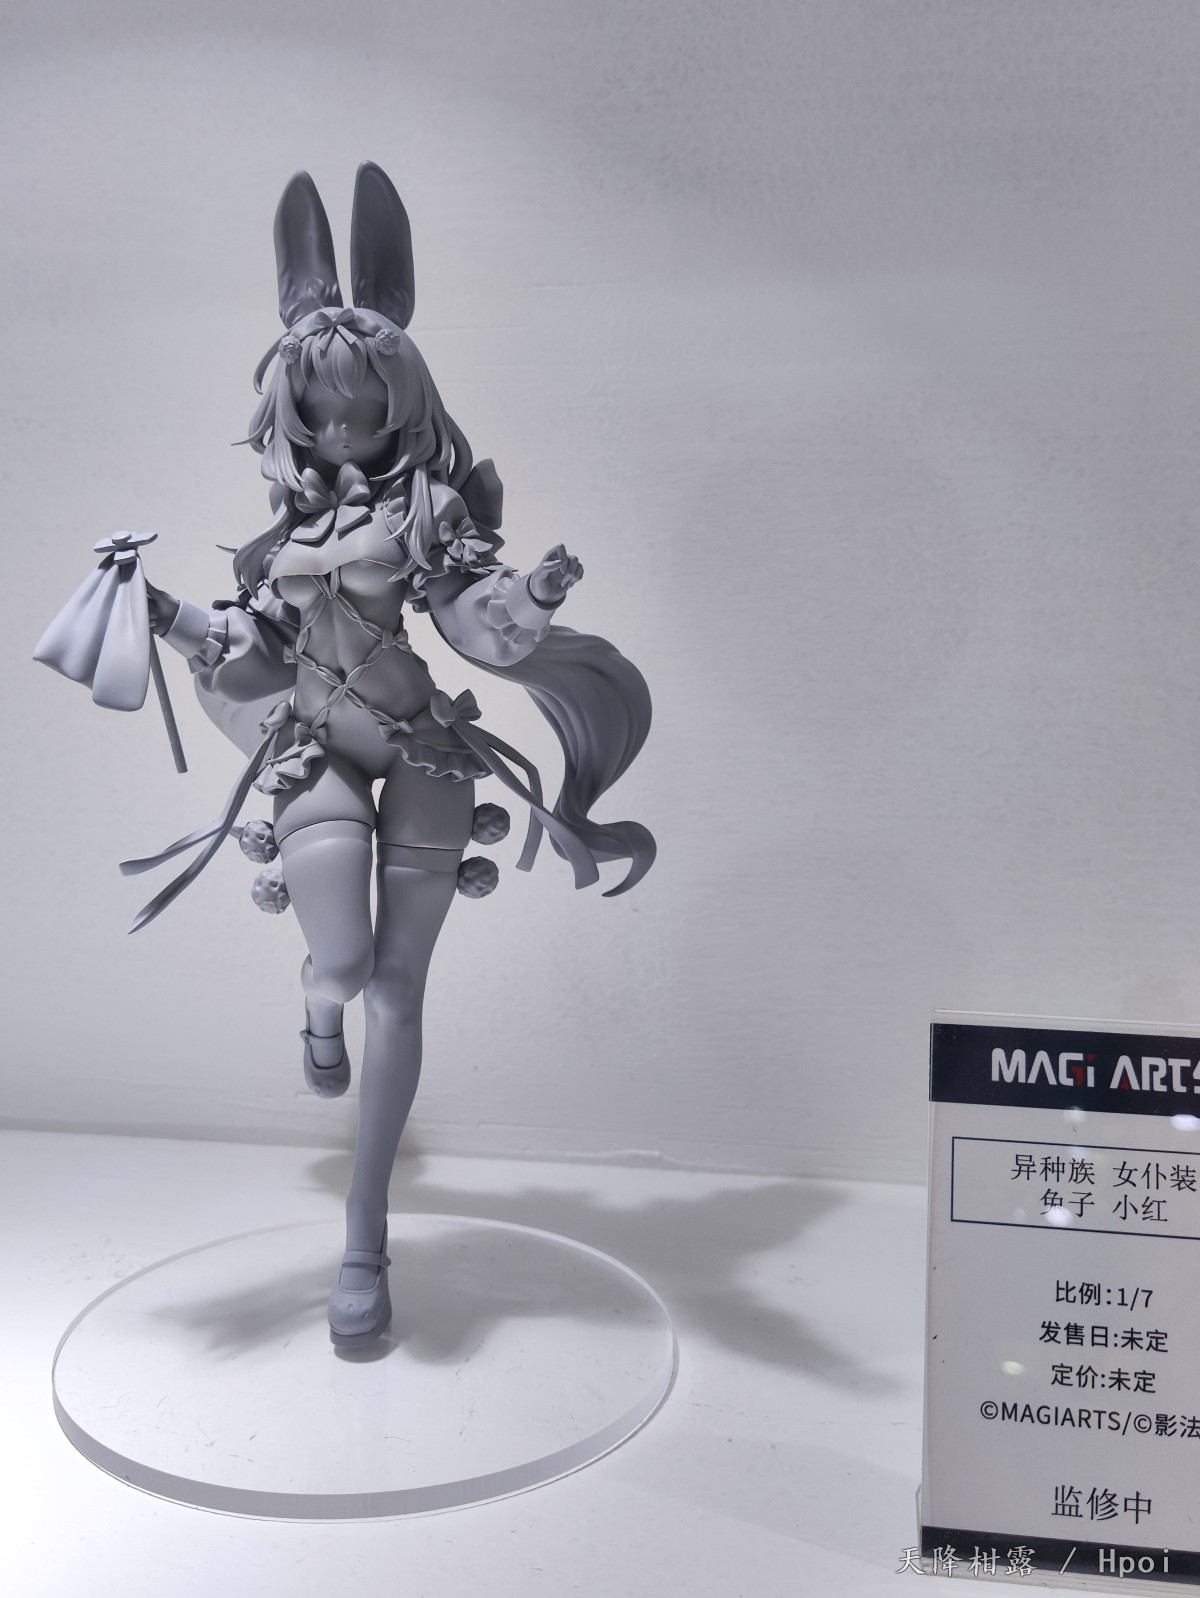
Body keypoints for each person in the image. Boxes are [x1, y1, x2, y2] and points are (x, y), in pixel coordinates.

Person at [136, 163, 654, 1347]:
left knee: (400, 989)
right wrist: (166, 613)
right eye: (321, 411)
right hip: (319, 744)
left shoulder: (429, 513)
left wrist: (532, 591)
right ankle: (314, 1010)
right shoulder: (281, 534)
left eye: (363, 411)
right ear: (292, 411)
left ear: (401, 406)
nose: (342, 431)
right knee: (344, 964)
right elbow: (254, 656)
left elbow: (472, 617)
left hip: (421, 741)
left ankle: (363, 1235)